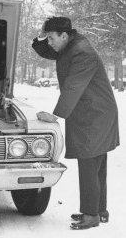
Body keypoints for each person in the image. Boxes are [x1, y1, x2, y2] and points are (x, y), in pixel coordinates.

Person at [32, 16, 119, 230]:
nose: (49, 42)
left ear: (64, 35)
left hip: (94, 115)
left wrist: (56, 114)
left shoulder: (81, 52)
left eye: (51, 38)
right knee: (96, 164)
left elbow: (74, 86)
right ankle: (99, 211)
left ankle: (91, 215)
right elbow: (47, 51)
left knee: (89, 163)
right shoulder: (70, 45)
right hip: (93, 112)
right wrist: (39, 37)